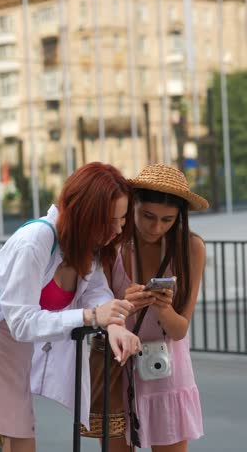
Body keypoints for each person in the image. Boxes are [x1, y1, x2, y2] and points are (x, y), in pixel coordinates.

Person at [0, 162, 141, 452]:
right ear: (85, 214)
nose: (118, 229)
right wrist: (91, 316)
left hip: (13, 358)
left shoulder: (84, 245)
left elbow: (96, 290)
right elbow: (21, 322)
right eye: (110, 220)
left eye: (121, 219)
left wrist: (115, 325)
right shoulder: (36, 241)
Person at [106, 163, 209, 452]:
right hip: (118, 369)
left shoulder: (191, 247)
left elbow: (179, 330)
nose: (156, 227)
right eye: (147, 216)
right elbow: (96, 313)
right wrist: (123, 305)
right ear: (132, 205)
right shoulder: (113, 244)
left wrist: (164, 309)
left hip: (168, 373)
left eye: (168, 220)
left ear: (180, 218)